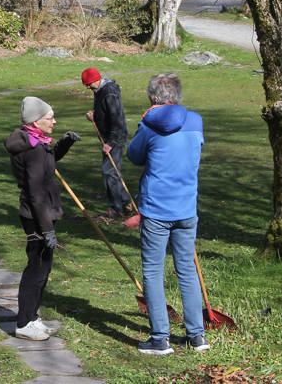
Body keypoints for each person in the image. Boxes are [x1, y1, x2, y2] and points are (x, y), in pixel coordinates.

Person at [127, 73, 210, 354]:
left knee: (152, 270)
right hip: (187, 206)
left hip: (157, 209)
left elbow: (134, 156)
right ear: (178, 96)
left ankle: (160, 338)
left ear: (153, 97)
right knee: (186, 269)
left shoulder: (148, 125)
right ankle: (196, 335)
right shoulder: (196, 121)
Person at [5, 96, 81, 340]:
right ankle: (24, 323)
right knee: (36, 269)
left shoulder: (36, 142)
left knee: (44, 267)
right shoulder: (32, 149)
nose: (54, 121)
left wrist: (65, 144)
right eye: (50, 118)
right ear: (36, 121)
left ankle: (32, 316)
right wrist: (47, 229)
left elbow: (49, 161)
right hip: (37, 215)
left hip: (42, 213)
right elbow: (36, 194)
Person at [82, 67, 129, 218]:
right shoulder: (100, 91)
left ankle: (117, 207)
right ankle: (124, 202)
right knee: (112, 171)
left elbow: (117, 119)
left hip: (115, 138)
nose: (88, 87)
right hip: (108, 137)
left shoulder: (109, 93)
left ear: (97, 79)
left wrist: (111, 142)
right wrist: (94, 116)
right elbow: (105, 113)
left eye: (89, 84)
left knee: (109, 171)